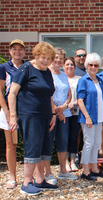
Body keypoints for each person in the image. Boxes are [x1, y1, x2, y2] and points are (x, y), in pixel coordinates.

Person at [8, 41, 58, 195]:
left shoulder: (47, 72)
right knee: (33, 146)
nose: (46, 61)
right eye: (43, 57)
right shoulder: (26, 68)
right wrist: (13, 116)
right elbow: (12, 93)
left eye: (49, 58)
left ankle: (40, 180)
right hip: (29, 114)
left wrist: (53, 114)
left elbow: (49, 95)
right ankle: (26, 182)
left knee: (44, 147)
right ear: (36, 55)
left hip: (45, 115)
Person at [46, 48, 78, 182]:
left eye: (61, 58)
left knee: (63, 141)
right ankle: (47, 173)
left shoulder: (63, 74)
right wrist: (55, 110)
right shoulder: (46, 73)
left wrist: (64, 106)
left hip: (64, 113)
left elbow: (69, 93)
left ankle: (63, 171)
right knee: (48, 142)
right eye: (56, 57)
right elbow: (46, 93)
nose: (58, 60)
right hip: (50, 113)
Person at [77, 52, 103, 181]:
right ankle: (85, 171)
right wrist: (87, 117)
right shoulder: (83, 80)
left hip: (99, 117)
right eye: (91, 65)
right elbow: (80, 100)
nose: (93, 67)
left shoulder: (100, 80)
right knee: (89, 143)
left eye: (96, 65)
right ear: (86, 65)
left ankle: (95, 168)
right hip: (89, 118)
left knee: (97, 143)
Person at [0, 39, 25, 189]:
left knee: (29, 143)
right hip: (8, 110)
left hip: (26, 111)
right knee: (11, 144)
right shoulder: (3, 67)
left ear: (24, 51)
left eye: (20, 49)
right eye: (14, 49)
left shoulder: (28, 66)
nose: (17, 51)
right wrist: (7, 112)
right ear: (9, 51)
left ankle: (29, 177)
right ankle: (12, 176)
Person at [63, 57, 81, 172]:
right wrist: (65, 106)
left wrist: (73, 105)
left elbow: (81, 96)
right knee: (64, 137)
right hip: (63, 112)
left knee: (74, 137)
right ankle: (65, 162)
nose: (70, 66)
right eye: (67, 64)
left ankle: (72, 161)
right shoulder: (60, 78)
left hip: (75, 112)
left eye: (72, 64)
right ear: (63, 66)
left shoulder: (79, 79)